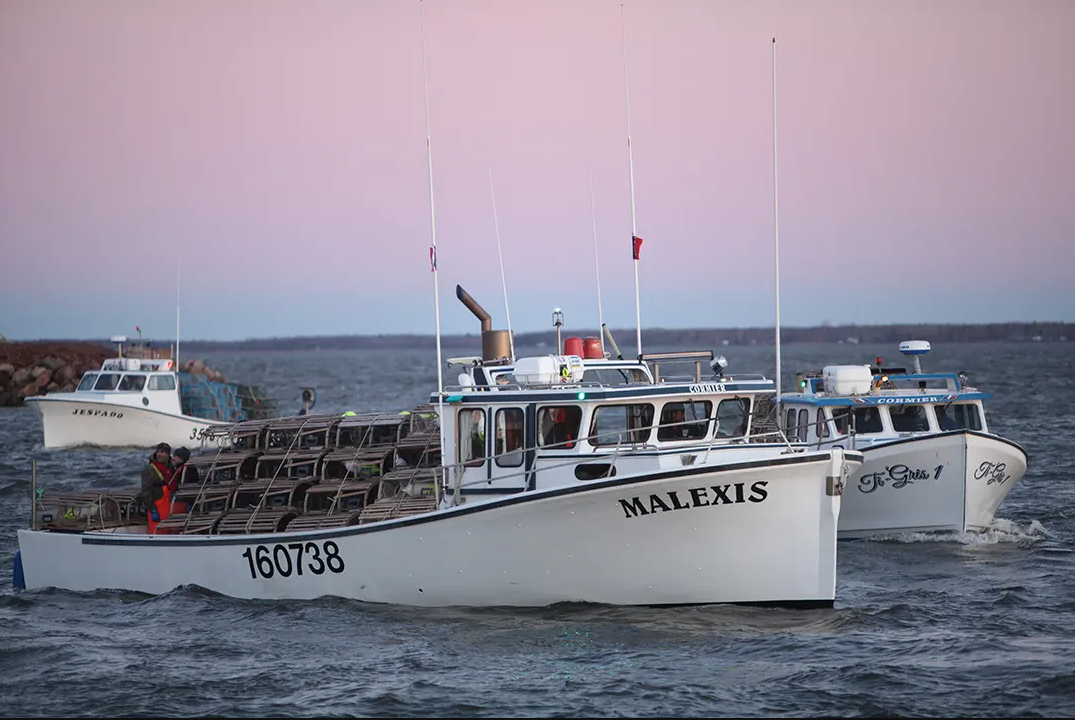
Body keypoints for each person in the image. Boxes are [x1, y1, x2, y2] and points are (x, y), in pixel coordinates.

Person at [138, 442, 174, 533]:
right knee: (157, 531)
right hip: (156, 506)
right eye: (158, 452)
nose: (159, 454)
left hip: (169, 507)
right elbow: (146, 491)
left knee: (170, 531)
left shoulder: (172, 467)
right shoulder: (149, 469)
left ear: (168, 454)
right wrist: (152, 509)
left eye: (162, 452)